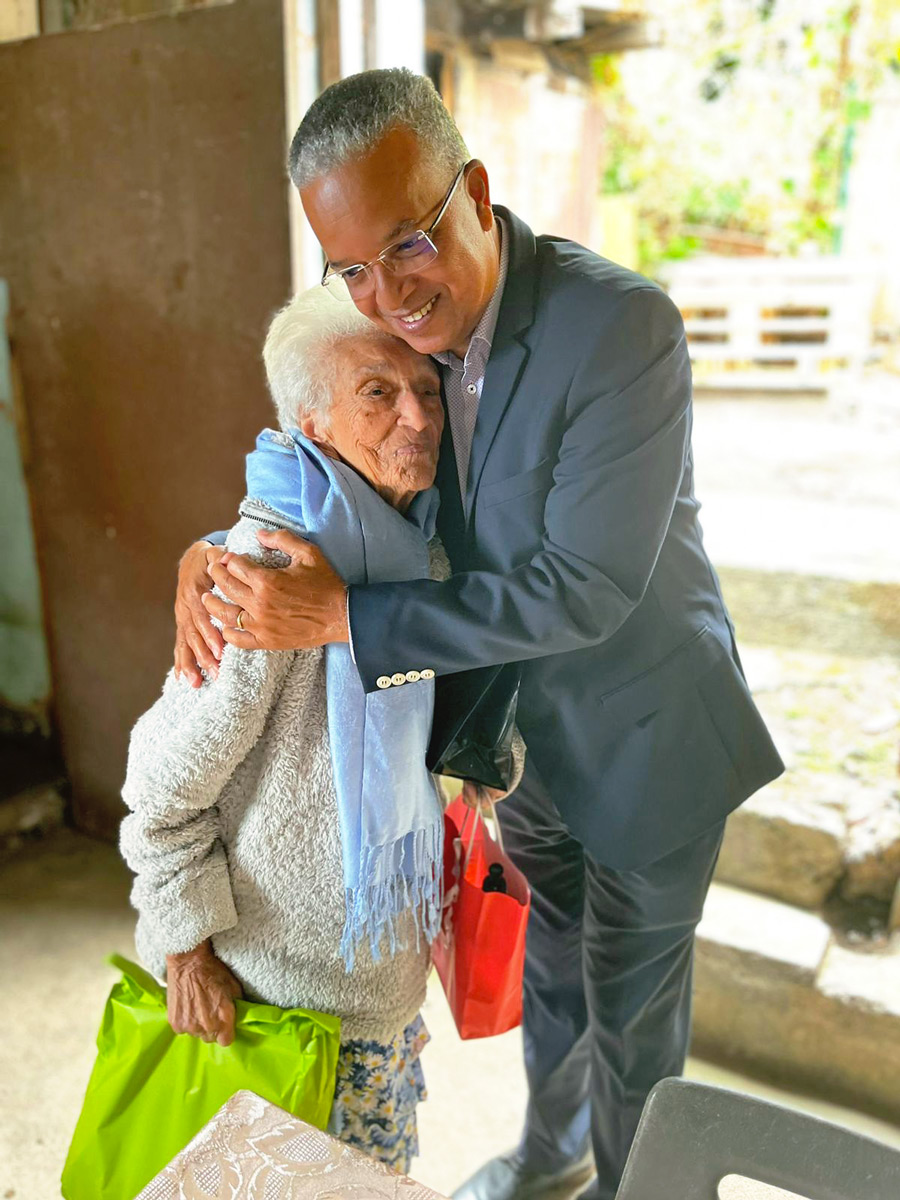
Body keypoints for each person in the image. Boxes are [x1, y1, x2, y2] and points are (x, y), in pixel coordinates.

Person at [173, 70, 784, 1200]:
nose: (388, 294)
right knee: (549, 969)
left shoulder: (619, 328)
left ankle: (631, 1188)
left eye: (407, 244)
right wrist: (206, 553)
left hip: (649, 737)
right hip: (521, 745)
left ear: (478, 194)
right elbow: (312, 452)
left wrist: (348, 617)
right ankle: (550, 1159)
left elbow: (585, 587)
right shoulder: (398, 336)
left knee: (632, 1006)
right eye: (351, 268)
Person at [121, 289, 453, 1174]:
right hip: (285, 1001)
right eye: (376, 393)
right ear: (312, 421)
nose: (417, 414)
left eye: (427, 386)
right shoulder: (270, 569)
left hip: (376, 989)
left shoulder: (411, 539)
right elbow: (159, 784)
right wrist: (183, 945)